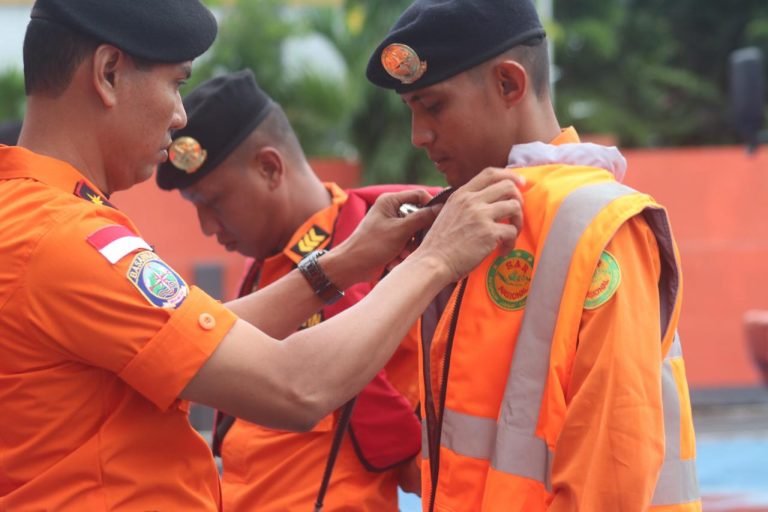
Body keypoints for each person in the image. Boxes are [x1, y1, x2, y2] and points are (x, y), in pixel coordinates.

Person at [0, 0, 525, 510]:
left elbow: (194, 339)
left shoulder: (31, 216)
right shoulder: (68, 238)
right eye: (177, 83)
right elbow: (295, 388)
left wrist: (342, 263)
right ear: (109, 73)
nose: (180, 114)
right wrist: (435, 258)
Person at [365, 1, 701, 511]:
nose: (419, 136)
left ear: (508, 85)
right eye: (411, 110)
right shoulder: (466, 219)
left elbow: (610, 474)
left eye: (433, 106)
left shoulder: (601, 224)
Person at [156, 69, 433, 511]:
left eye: (214, 202)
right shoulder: (265, 272)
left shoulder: (393, 251)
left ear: (269, 167)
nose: (207, 228)